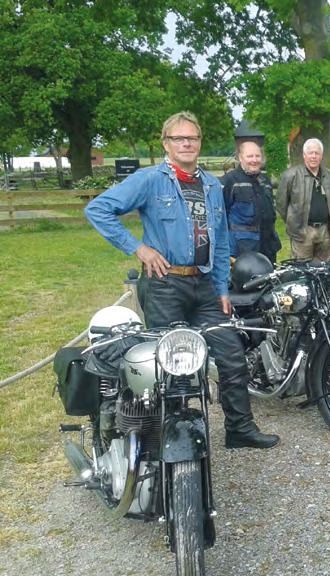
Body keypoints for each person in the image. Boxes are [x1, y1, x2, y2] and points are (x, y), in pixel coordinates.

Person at [84, 111, 279, 449]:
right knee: (168, 366)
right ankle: (167, 442)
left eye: (193, 138)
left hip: (204, 286)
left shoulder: (212, 185)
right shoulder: (150, 180)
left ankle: (239, 429)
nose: (187, 143)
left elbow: (219, 241)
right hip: (164, 285)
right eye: (179, 138)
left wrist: (221, 288)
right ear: (166, 143)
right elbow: (99, 209)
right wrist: (140, 249)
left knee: (232, 356)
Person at [276, 138, 330, 261]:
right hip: (302, 232)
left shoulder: (329, 176)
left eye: (317, 153)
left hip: (325, 231)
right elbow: (281, 204)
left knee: (324, 271)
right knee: (302, 271)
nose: (313, 156)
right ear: (304, 156)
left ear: (321, 156)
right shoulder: (291, 175)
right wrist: (293, 221)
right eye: (310, 153)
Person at [221, 140, 281, 264]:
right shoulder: (229, 181)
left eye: (257, 156)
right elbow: (220, 218)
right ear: (240, 158)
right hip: (243, 249)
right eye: (249, 156)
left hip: (268, 246)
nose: (254, 160)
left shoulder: (265, 181)